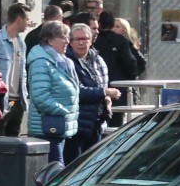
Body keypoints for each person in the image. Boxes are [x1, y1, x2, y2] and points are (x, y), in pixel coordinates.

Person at [65, 22, 120, 164]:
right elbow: (77, 91)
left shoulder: (98, 60)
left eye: (85, 39)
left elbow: (103, 84)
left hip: (97, 120)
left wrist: (107, 98)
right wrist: (104, 92)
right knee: (73, 164)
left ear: (91, 41)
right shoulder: (67, 61)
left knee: (91, 164)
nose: (81, 43)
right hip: (77, 121)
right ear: (70, 42)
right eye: (77, 39)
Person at [27, 20, 79, 164]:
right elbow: (41, 97)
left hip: (60, 127)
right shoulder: (41, 62)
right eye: (62, 37)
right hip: (48, 128)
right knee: (55, 172)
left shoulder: (64, 62)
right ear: (49, 40)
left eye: (67, 37)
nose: (67, 41)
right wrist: (63, 112)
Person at [0, 3, 31, 138]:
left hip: (17, 101)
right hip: (3, 100)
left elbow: (22, 73)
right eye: (27, 19)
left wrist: (24, 96)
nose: (28, 23)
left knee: (14, 140)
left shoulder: (21, 43)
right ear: (19, 19)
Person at [93, 9, 139, 86]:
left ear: (99, 24)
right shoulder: (121, 40)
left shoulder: (94, 41)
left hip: (99, 85)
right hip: (119, 84)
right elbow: (130, 62)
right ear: (112, 24)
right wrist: (131, 76)